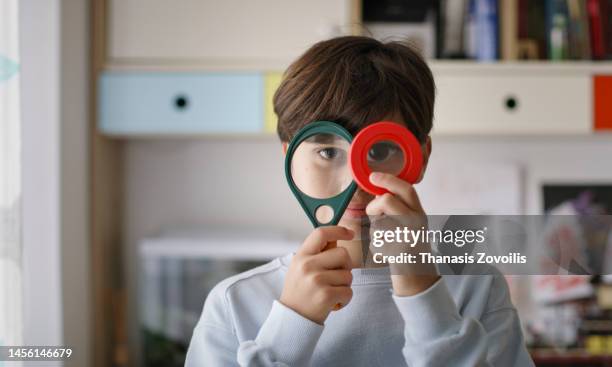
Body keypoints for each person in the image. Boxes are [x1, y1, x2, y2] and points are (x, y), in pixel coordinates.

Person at [185, 36, 534, 367]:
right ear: (290, 161)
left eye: (380, 150)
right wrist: (291, 326)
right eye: (327, 151)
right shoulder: (234, 306)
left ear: (421, 157)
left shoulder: (478, 287)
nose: (355, 181)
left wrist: (424, 293)